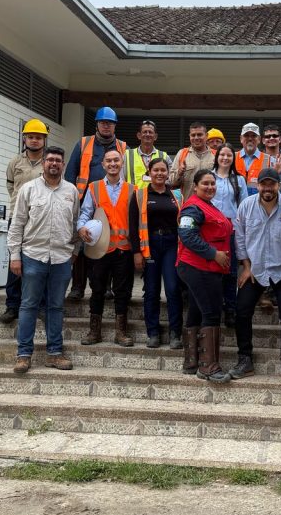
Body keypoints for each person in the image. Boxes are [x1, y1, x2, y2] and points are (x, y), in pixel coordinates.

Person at [6, 146, 80, 375]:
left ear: (63, 164)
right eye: (50, 160)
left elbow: (76, 224)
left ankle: (54, 353)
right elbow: (17, 224)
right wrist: (15, 256)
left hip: (61, 258)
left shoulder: (72, 191)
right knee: (28, 305)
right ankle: (23, 355)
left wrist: (75, 252)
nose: (54, 164)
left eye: (58, 160)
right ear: (44, 164)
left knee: (56, 307)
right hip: (33, 256)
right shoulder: (28, 189)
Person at [232, 168, 281, 383]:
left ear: (279, 185)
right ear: (258, 186)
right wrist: (246, 266)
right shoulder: (246, 206)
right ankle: (245, 359)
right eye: (263, 184)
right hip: (254, 269)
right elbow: (239, 238)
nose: (267, 188)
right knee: (242, 310)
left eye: (272, 184)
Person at [65, 106, 127, 300]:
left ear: (115, 125)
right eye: (103, 123)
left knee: (108, 241)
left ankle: (106, 287)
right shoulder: (83, 144)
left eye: (110, 123)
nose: (106, 126)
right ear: (97, 124)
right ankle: (77, 287)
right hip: (85, 199)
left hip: (112, 202)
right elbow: (70, 174)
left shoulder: (123, 147)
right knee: (81, 242)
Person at [176, 169, 233, 383]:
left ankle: (192, 361)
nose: (210, 187)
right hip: (197, 266)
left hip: (207, 268)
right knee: (210, 312)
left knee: (196, 311)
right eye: (205, 184)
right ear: (195, 186)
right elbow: (187, 235)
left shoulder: (208, 206)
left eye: (213, 183)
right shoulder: (193, 207)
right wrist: (214, 254)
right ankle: (208, 367)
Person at [77, 148, 136, 347]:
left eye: (116, 161)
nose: (112, 164)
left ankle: (121, 332)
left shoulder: (132, 189)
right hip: (98, 249)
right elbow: (85, 213)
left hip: (123, 249)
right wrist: (81, 227)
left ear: (121, 164)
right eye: (108, 161)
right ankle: (94, 331)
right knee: (97, 289)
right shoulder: (93, 188)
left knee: (122, 291)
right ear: (103, 165)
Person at [130, 157, 183, 349]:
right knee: (151, 290)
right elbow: (133, 226)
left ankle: (175, 333)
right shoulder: (140, 195)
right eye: (156, 170)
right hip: (149, 245)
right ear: (149, 172)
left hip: (171, 245)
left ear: (168, 173)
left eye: (163, 170)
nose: (160, 174)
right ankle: (152, 332)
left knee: (172, 288)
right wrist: (136, 252)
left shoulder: (176, 195)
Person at [0, 118, 48, 324]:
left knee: (41, 262)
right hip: (18, 218)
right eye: (31, 137)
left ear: (44, 140)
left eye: (38, 137)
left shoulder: (49, 162)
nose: (34, 141)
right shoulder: (15, 163)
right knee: (15, 261)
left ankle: (41, 305)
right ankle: (12, 306)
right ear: (25, 139)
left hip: (42, 220)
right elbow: (11, 187)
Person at [212, 143, 248, 328]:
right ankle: (214, 307)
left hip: (231, 230)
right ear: (217, 156)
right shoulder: (209, 176)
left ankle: (230, 309)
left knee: (231, 271)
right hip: (211, 229)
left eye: (229, 155)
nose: (225, 158)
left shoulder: (238, 180)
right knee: (212, 270)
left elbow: (243, 208)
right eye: (222, 155)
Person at [170, 120, 215, 200]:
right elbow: (171, 182)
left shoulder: (215, 155)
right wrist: (179, 173)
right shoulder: (182, 154)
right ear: (189, 136)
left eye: (200, 135)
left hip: (211, 206)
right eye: (193, 135)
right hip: (188, 205)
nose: (196, 138)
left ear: (206, 136)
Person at [124, 119, 170, 189]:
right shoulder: (127, 155)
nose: (147, 134)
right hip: (134, 198)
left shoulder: (164, 156)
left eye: (150, 132)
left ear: (155, 136)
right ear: (139, 135)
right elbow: (120, 179)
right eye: (145, 132)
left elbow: (170, 179)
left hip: (156, 198)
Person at [235, 122, 264, 193]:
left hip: (258, 202)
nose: (250, 138)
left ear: (259, 139)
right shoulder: (231, 157)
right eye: (246, 135)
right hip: (236, 202)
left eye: (254, 136)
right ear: (241, 139)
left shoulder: (269, 159)